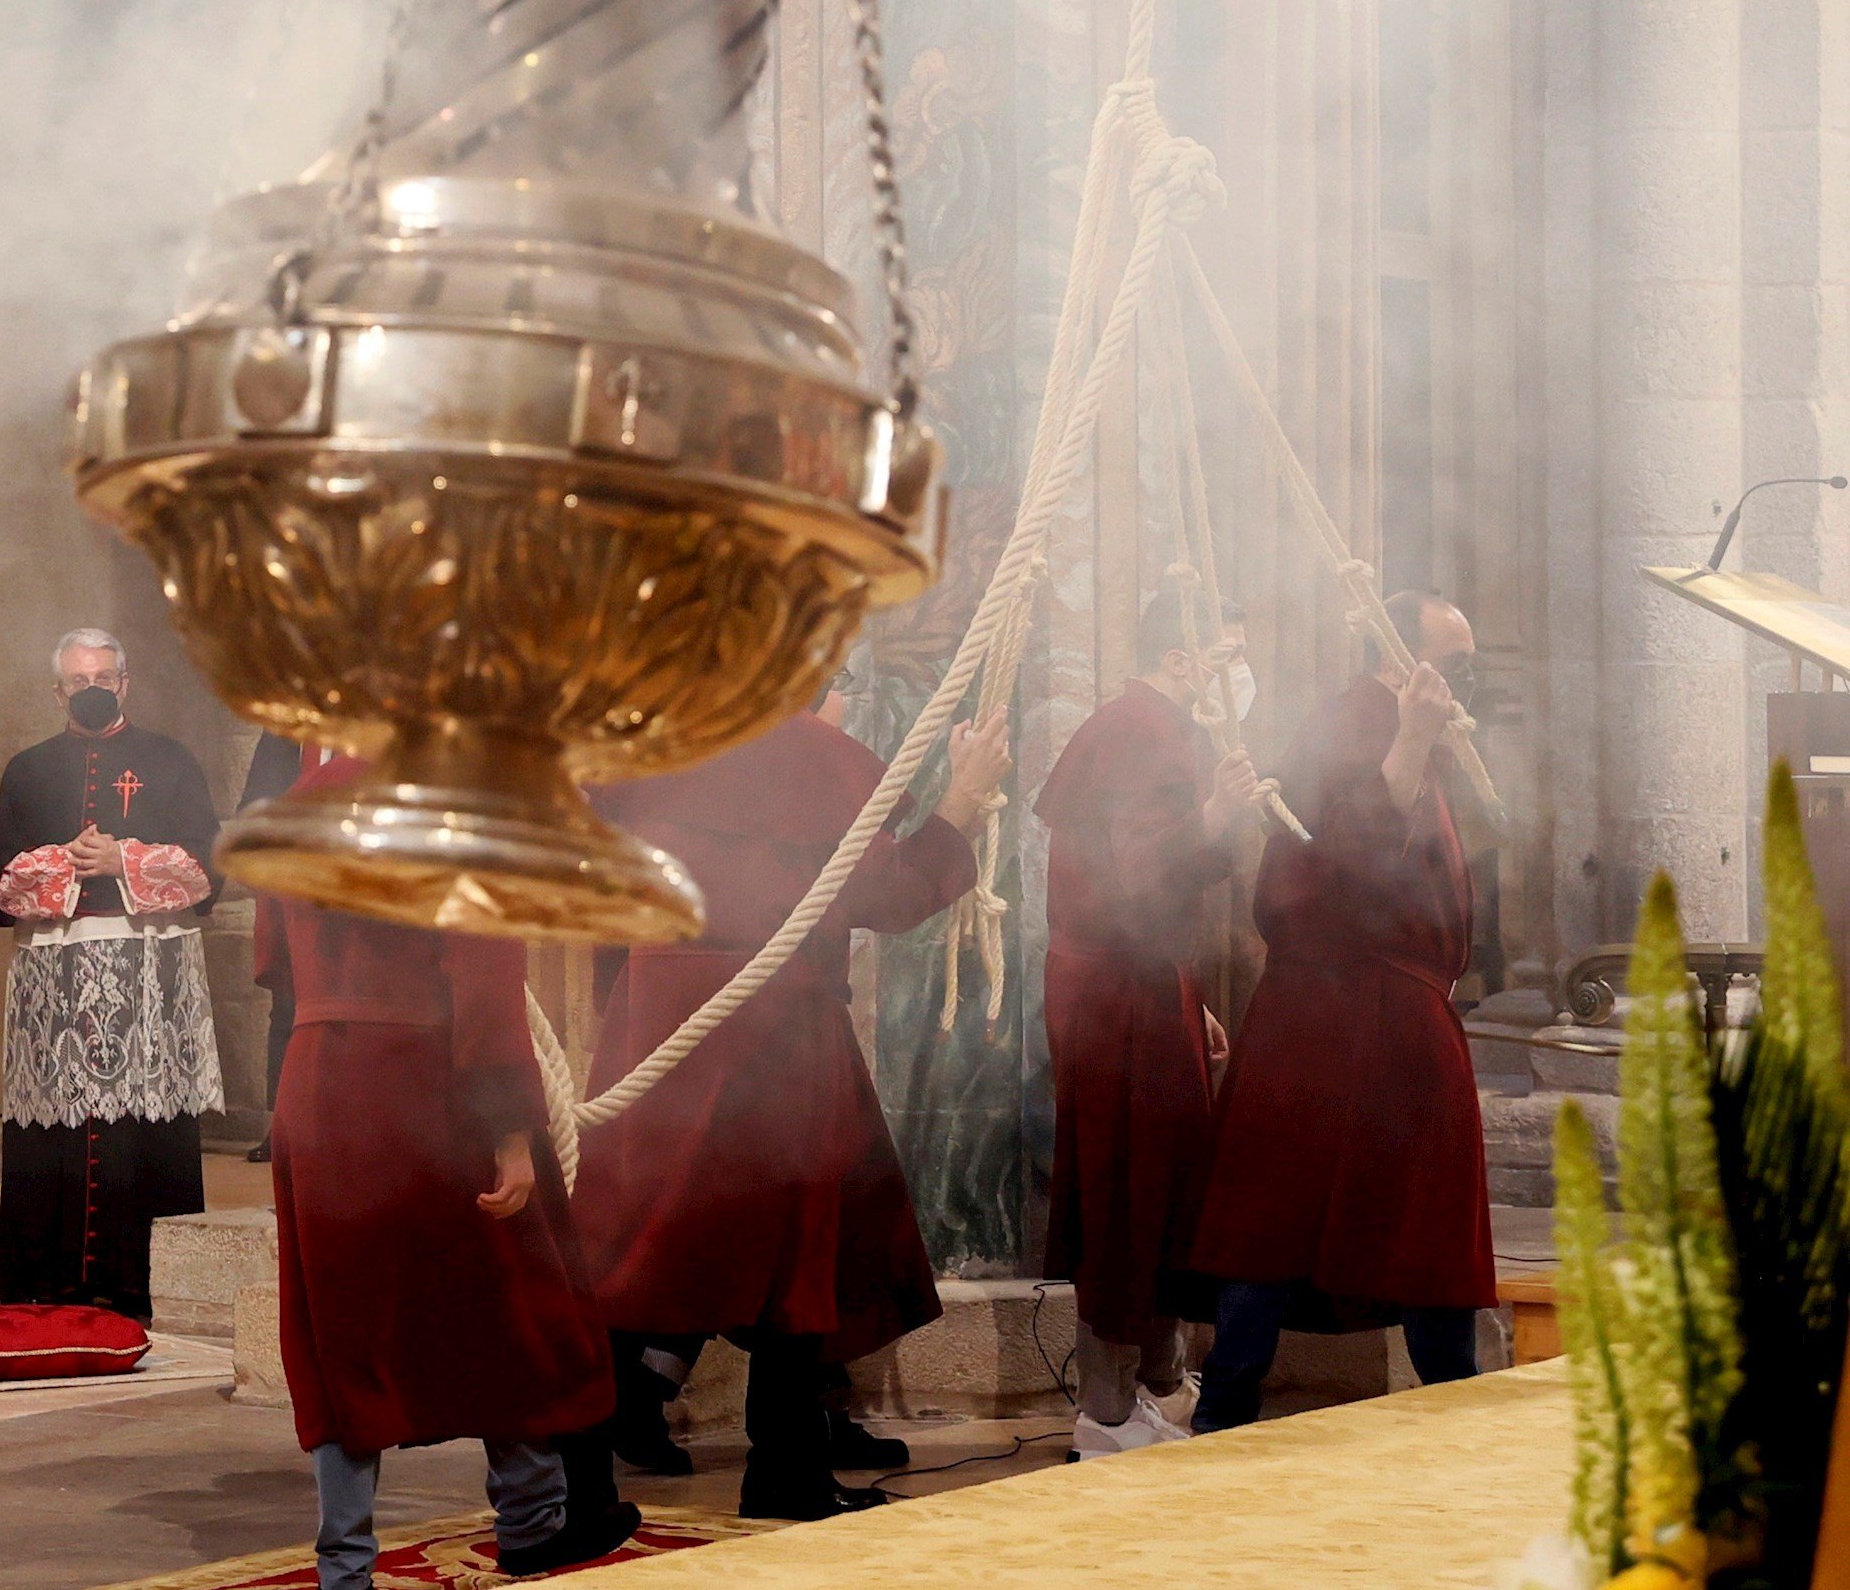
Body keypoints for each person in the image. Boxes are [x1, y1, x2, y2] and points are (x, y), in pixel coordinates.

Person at [572, 705, 1010, 1519]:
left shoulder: (651, 737)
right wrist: (963, 799)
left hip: (660, 1009)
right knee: (791, 1244)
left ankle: (595, 1450)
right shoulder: (811, 755)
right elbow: (891, 892)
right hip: (773, 1016)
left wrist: (626, 999)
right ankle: (783, 1468)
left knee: (645, 1227)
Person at [259, 756, 635, 1590]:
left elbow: (271, 958)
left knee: (344, 1328)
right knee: (512, 1301)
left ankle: (344, 1571)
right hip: (429, 1080)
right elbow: (486, 981)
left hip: (317, 1081)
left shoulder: (298, 801)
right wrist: (510, 1132)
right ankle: (534, 1526)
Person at [1186, 590, 1495, 1431]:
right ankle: (1226, 1411)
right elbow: (1340, 860)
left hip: (1378, 1006)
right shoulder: (1359, 722)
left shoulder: (1400, 726)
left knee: (1402, 1216)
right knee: (1280, 1211)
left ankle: (1450, 1404)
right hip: (1340, 1005)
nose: (1464, 681)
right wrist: (1412, 737)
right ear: (1395, 657)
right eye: (1453, 662)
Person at [1036, 590, 1270, 1456]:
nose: (1240, 674)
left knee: (1155, 1182)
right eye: (1229, 654)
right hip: (1116, 993)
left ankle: (1138, 1389)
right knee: (1125, 1189)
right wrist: (1213, 815)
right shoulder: (1143, 731)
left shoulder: (1144, 724)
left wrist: (1190, 993)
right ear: (1181, 661)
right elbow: (1138, 869)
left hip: (1132, 979)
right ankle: (1105, 1410)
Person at [0, 629, 223, 1320]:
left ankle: (140, 1278)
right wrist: (66, 863)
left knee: (141, 1127)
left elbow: (210, 863)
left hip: (148, 975)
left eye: (105, 677)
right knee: (57, 1124)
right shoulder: (27, 769)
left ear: (125, 682)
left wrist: (126, 862)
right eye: (79, 679)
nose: (93, 688)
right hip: (55, 978)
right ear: (57, 691)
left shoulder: (170, 761)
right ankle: (46, 1277)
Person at [236, 733, 310, 1165]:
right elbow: (253, 805)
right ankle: (281, 1125)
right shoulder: (285, 725)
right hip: (293, 885)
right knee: (287, 1007)